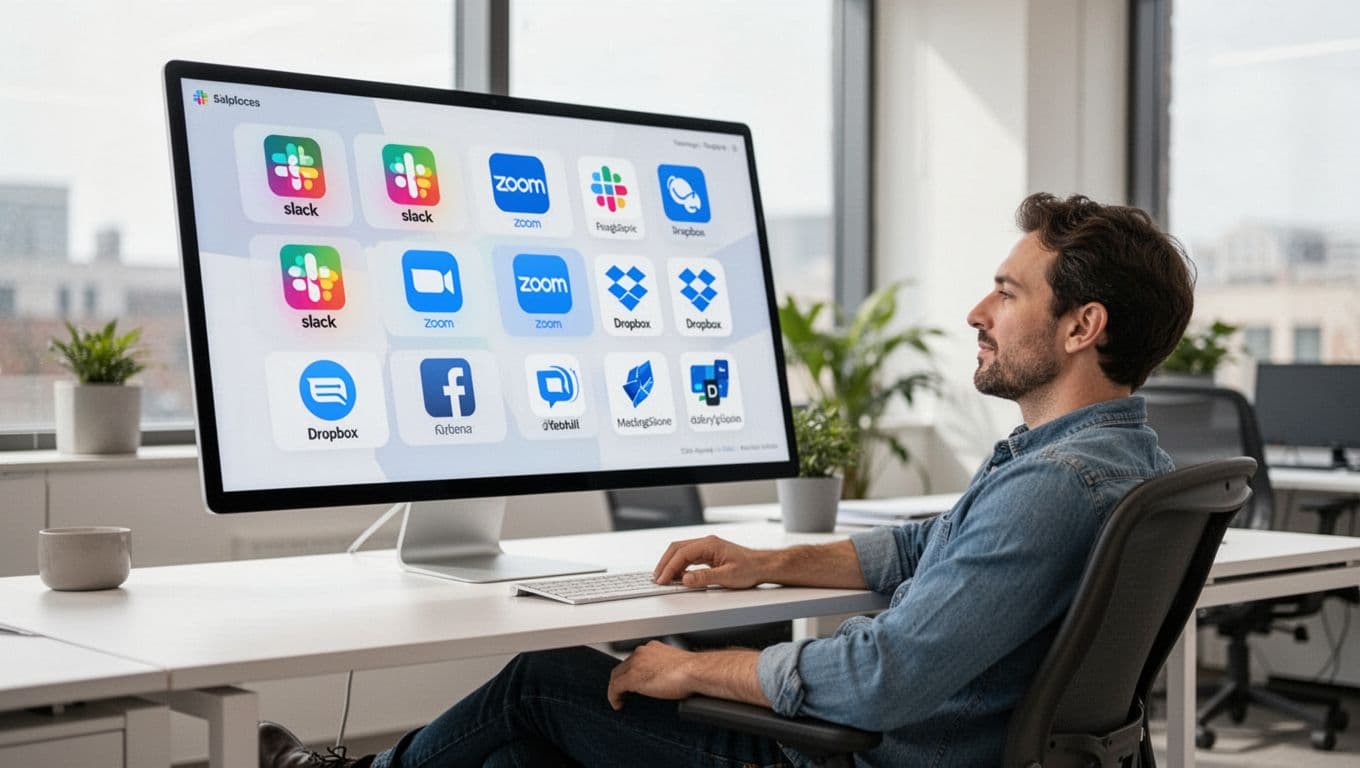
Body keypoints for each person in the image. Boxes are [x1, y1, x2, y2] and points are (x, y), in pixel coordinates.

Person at [259, 192, 1196, 768]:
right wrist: (765, 562)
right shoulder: (1115, 462)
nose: (975, 311)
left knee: (541, 686)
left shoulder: (1052, 485)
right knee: (526, 750)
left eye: (1008, 291)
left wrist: (690, 667)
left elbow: (882, 676)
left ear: (1082, 327)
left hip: (859, 756)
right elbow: (924, 548)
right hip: (953, 749)